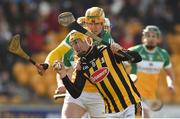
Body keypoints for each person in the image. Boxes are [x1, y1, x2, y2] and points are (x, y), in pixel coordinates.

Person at [37, 7, 118, 118]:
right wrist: (46, 64)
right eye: (90, 23)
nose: (93, 28)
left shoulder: (107, 38)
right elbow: (57, 52)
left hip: (100, 95)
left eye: (98, 24)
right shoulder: (75, 34)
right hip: (78, 93)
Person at [54, 31, 143, 118]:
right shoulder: (81, 66)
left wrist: (122, 50)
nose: (75, 46)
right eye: (72, 44)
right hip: (111, 112)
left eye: (77, 42)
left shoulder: (108, 51)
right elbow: (75, 93)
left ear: (88, 40)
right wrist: (63, 75)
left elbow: (137, 58)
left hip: (131, 104)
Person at [129, 25, 176, 117]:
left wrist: (171, 84)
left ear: (159, 39)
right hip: (134, 94)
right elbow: (120, 65)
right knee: (143, 115)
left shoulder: (163, 54)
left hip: (150, 97)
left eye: (153, 36)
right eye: (148, 36)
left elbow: (169, 74)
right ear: (143, 38)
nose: (151, 38)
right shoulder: (135, 51)